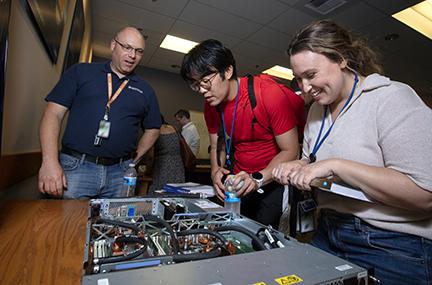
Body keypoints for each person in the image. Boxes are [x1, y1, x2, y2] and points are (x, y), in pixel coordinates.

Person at [272, 20, 432, 284]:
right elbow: (314, 161)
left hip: (393, 244)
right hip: (329, 229)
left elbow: (424, 195)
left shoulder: (392, 99)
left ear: (342, 60)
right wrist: (298, 165)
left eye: (311, 75)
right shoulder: (316, 110)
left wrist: (338, 165)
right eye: (298, 78)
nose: (304, 87)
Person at [180, 39, 302, 228]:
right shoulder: (211, 105)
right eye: (196, 85)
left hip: (272, 179)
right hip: (241, 181)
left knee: (266, 238)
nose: (202, 91)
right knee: (238, 231)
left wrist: (257, 179)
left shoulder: (268, 94)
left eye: (205, 81)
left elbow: (290, 151)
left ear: (227, 71)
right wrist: (215, 171)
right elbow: (216, 145)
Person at [38, 26, 161, 199]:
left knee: (113, 226)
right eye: (127, 47)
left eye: (138, 51)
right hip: (76, 168)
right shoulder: (81, 72)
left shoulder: (146, 90)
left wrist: (132, 162)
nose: (132, 56)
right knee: (68, 224)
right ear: (113, 45)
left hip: (120, 175)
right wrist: (49, 162)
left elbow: (153, 129)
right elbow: (53, 114)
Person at [148, 115, 185, 193]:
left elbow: (150, 156)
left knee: (160, 192)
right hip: (178, 165)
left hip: (162, 166)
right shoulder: (173, 128)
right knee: (176, 193)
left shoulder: (155, 132)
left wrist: (148, 170)